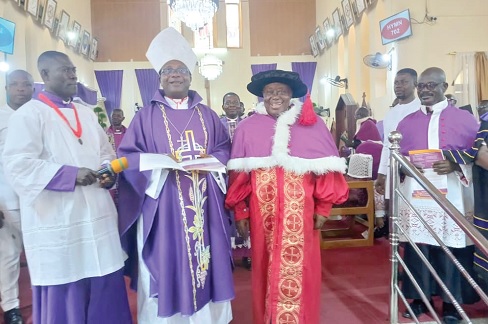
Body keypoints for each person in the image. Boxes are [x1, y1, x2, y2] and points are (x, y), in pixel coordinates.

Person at [2, 51, 132, 324]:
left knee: (104, 277)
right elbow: (17, 165)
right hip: (58, 217)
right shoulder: (29, 115)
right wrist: (69, 175)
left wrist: (108, 172)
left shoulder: (86, 113)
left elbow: (104, 153)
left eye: (73, 69)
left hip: (97, 214)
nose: (73, 74)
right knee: (67, 283)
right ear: (45, 75)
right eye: (65, 70)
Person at [117, 27, 234, 324]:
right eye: (168, 71)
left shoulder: (208, 115)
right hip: (163, 204)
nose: (175, 75)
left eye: (180, 70)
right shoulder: (145, 117)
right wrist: (158, 165)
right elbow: (126, 157)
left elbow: (224, 148)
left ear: (190, 77)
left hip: (204, 200)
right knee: (168, 258)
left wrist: (211, 161)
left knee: (206, 257)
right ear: (160, 79)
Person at [225, 70, 349, 323]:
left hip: (302, 214)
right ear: (262, 95)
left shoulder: (313, 125)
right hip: (263, 215)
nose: (275, 96)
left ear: (292, 94)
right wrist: (241, 211)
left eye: (281, 90)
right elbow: (239, 176)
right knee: (263, 267)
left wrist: (324, 208)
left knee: (304, 269)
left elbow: (328, 172)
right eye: (270, 91)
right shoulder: (248, 128)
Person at [396, 67, 480, 324]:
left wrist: (455, 165)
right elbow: (396, 159)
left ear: (444, 87)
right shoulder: (406, 122)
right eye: (421, 86)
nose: (425, 90)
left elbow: (476, 156)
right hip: (416, 194)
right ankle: (420, 298)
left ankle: (452, 305)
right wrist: (406, 166)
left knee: (451, 248)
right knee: (418, 247)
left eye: (431, 85)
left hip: (453, 192)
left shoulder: (465, 119)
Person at [0, 70, 34, 324]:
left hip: (38, 198)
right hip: (6, 199)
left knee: (41, 252)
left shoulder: (39, 116)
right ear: (6, 89)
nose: (21, 89)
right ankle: (11, 307)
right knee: (8, 256)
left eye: (26, 85)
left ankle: (45, 297)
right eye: (15, 85)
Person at [106, 108, 127, 205]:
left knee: (125, 197)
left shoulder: (129, 134)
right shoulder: (105, 134)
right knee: (110, 198)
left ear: (123, 118)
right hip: (111, 168)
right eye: (113, 115)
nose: (115, 118)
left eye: (118, 116)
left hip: (126, 169)